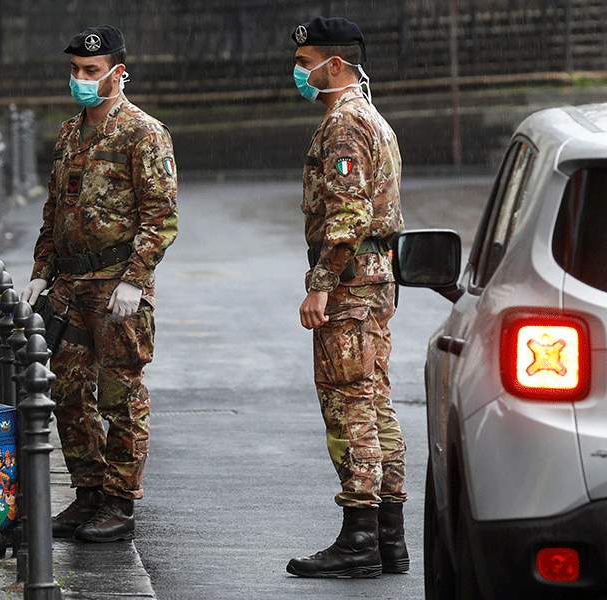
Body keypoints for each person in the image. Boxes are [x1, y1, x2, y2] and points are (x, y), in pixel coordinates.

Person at [19, 25, 179, 543]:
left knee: (120, 396)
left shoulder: (143, 133)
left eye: (91, 71)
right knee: (66, 391)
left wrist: (136, 279)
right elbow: (54, 212)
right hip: (71, 284)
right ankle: (86, 493)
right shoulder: (70, 133)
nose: (81, 80)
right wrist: (42, 271)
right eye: (75, 71)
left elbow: (161, 215)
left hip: (116, 286)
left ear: (118, 73)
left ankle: (119, 501)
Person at [284, 17, 408, 579]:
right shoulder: (371, 118)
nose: (300, 72)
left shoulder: (344, 126)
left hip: (351, 281)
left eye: (307, 61)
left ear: (334, 65)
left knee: (347, 400)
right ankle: (389, 537)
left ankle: (359, 535)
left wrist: (322, 285)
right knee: (375, 398)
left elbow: (348, 214)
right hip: (374, 276)